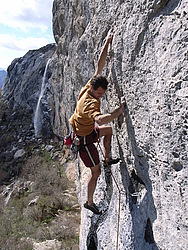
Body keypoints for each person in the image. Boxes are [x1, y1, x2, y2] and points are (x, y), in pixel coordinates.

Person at [69, 32, 125, 214]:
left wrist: (107, 42)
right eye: (100, 94)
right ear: (93, 89)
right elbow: (99, 119)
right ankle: (89, 202)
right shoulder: (89, 104)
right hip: (84, 143)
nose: (101, 96)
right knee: (96, 172)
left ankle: (107, 158)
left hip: (86, 131)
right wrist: (119, 111)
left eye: (103, 93)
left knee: (108, 131)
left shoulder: (89, 86)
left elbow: (99, 67)